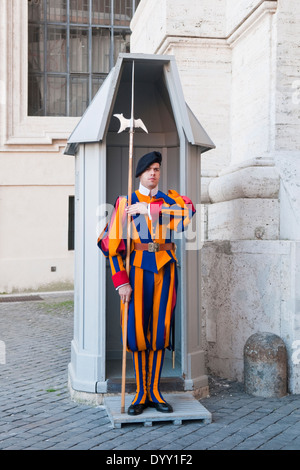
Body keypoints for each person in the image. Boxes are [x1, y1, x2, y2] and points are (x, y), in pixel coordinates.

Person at [98, 151, 195, 416]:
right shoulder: (124, 202)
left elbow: (188, 214)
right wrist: (121, 283)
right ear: (139, 173)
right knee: (137, 332)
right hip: (137, 273)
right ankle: (140, 394)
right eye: (148, 169)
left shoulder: (169, 200)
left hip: (164, 272)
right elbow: (111, 246)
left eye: (157, 169)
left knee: (160, 332)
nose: (154, 173)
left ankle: (155, 391)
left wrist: (151, 209)